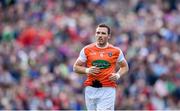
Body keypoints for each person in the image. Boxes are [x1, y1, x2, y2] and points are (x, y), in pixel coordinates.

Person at [73, 23, 129, 110]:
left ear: (109, 36)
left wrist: (118, 75)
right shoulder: (87, 49)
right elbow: (75, 67)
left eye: (103, 33)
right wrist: (87, 70)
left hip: (107, 89)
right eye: (98, 33)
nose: (100, 35)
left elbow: (125, 67)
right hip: (90, 89)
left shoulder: (116, 51)